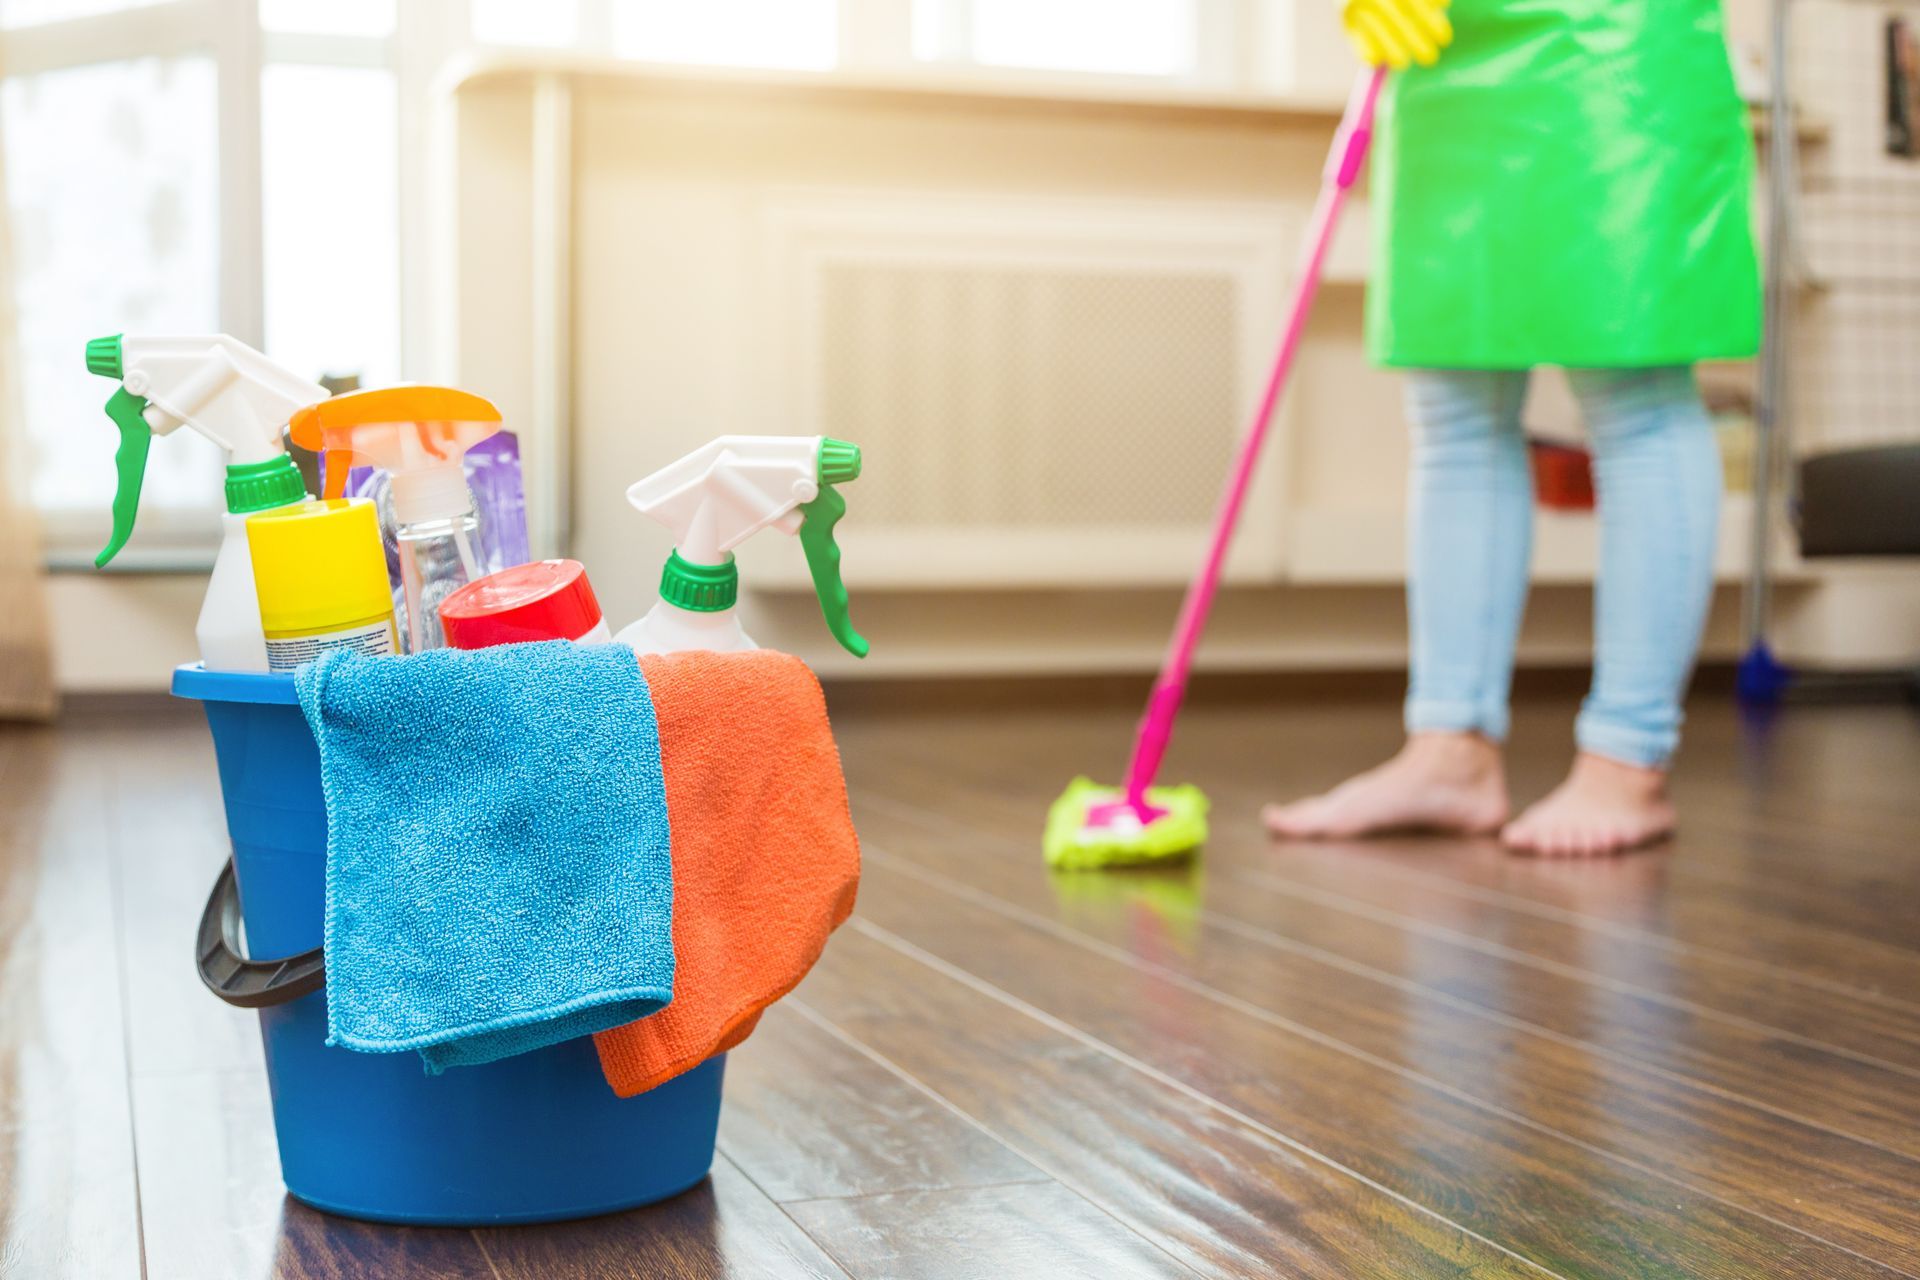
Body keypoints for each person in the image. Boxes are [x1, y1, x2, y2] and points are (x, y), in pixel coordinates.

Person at [1265, 0, 1762, 856]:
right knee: (1452, 403)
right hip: (1448, 51)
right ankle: (1448, 748)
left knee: (1634, 386)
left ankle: (1627, 760)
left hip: (1610, 36)